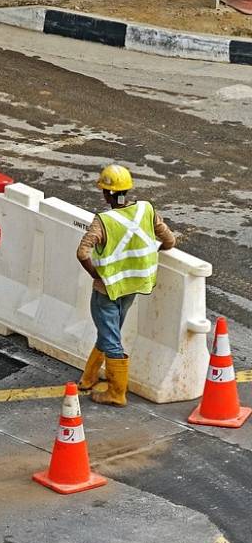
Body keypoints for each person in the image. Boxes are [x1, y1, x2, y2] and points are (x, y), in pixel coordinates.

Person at [75, 165, 176, 406]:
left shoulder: (103, 221)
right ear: (127, 190)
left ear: (107, 194)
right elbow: (169, 241)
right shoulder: (146, 210)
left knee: (111, 338)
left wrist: (96, 276)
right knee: (110, 331)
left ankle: (116, 392)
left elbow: (82, 253)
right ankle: (89, 377)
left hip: (107, 290)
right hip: (133, 286)